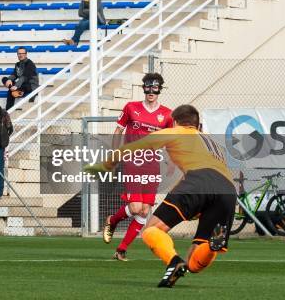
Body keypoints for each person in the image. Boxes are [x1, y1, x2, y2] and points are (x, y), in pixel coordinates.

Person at [86, 105, 236, 288]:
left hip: (198, 180)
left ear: (174, 121)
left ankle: (173, 261)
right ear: (197, 125)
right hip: (227, 189)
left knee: (151, 230)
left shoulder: (175, 132)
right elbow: (200, 175)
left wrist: (106, 165)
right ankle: (212, 246)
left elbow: (133, 147)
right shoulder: (213, 144)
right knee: (194, 263)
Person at [102, 73, 173, 261]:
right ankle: (113, 220)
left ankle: (121, 249)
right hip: (132, 161)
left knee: (144, 211)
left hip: (152, 165)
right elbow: (118, 129)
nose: (151, 91)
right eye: (148, 87)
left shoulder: (167, 115)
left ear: (160, 89)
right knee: (134, 208)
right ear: (143, 88)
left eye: (155, 87)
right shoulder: (131, 108)